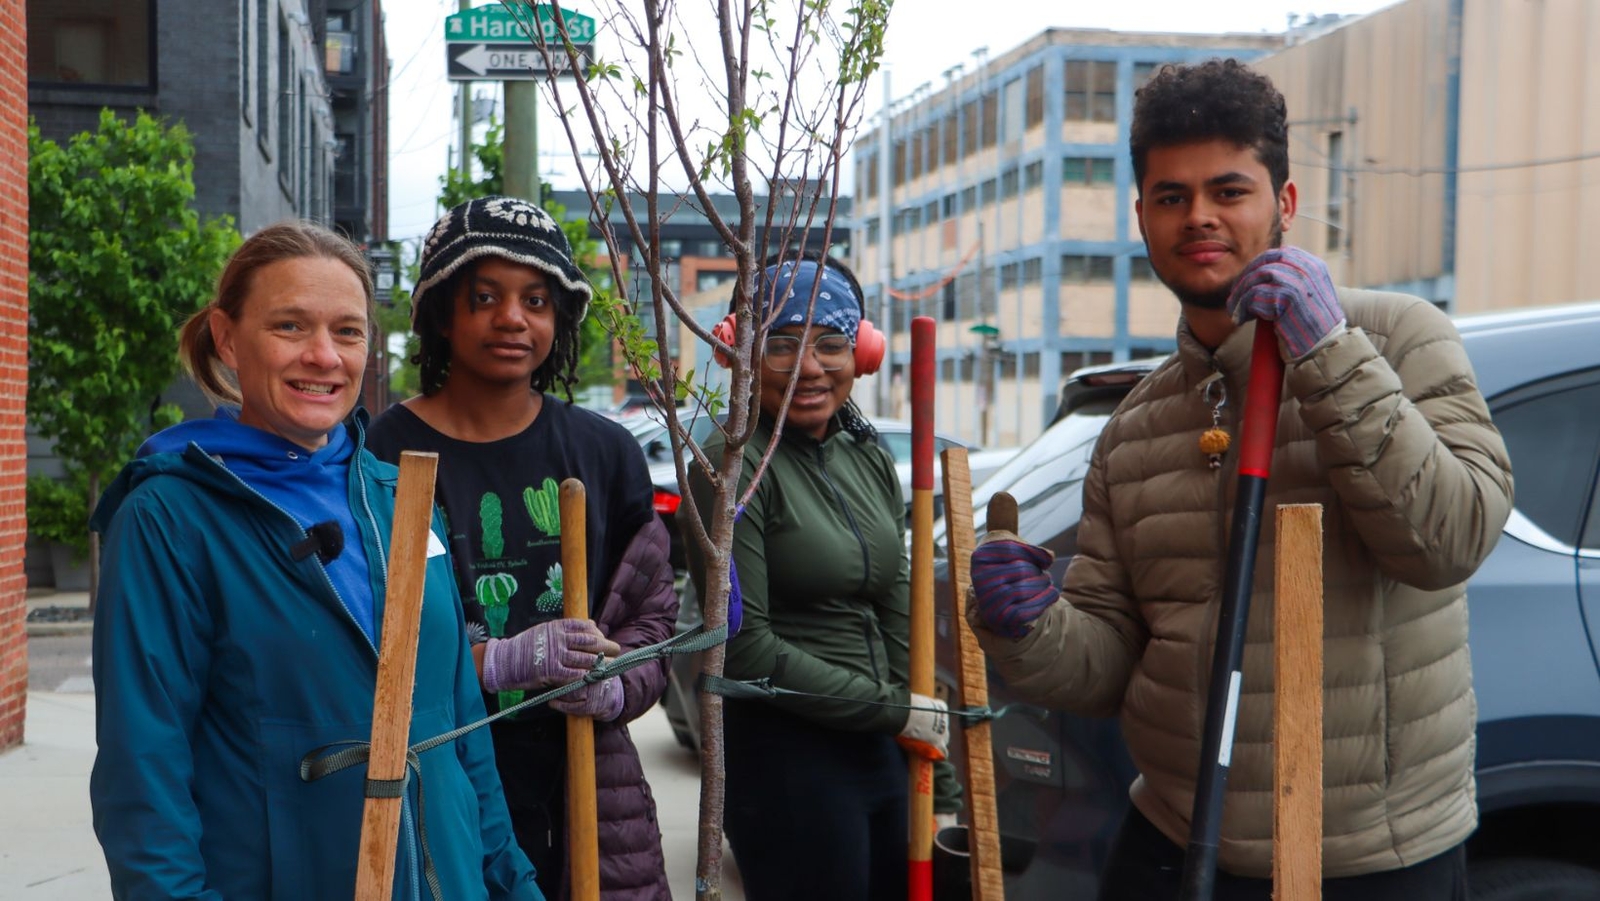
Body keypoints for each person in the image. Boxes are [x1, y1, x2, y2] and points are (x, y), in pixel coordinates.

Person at [967, 59, 1514, 901]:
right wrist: (1029, 631)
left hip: (1367, 859)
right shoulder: (1135, 428)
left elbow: (1452, 537)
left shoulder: (1399, 338)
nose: (1201, 218)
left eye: (1230, 190)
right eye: (1172, 196)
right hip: (1178, 840)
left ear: (1284, 203)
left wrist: (1327, 352)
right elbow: (1112, 661)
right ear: (1141, 214)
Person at [88, 222, 541, 900]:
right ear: (226, 337)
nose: (324, 356)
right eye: (291, 326)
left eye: (348, 331)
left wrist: (513, 886)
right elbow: (143, 775)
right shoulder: (168, 519)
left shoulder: (403, 498)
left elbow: (464, 739)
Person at [367, 195, 678, 900]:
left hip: (584, 782)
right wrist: (489, 662)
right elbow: (365, 635)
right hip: (439, 774)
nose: (512, 317)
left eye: (536, 299)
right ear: (441, 313)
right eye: (484, 296)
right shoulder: (385, 453)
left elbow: (656, 622)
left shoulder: (604, 453)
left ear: (559, 320)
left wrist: (617, 681)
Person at [680, 252, 961, 901]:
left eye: (831, 343)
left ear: (861, 351)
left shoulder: (865, 454)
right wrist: (897, 710)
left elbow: (898, 610)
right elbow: (745, 649)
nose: (809, 368)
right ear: (737, 351)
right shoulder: (728, 468)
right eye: (781, 345)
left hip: (883, 751)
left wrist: (937, 773)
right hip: (790, 762)